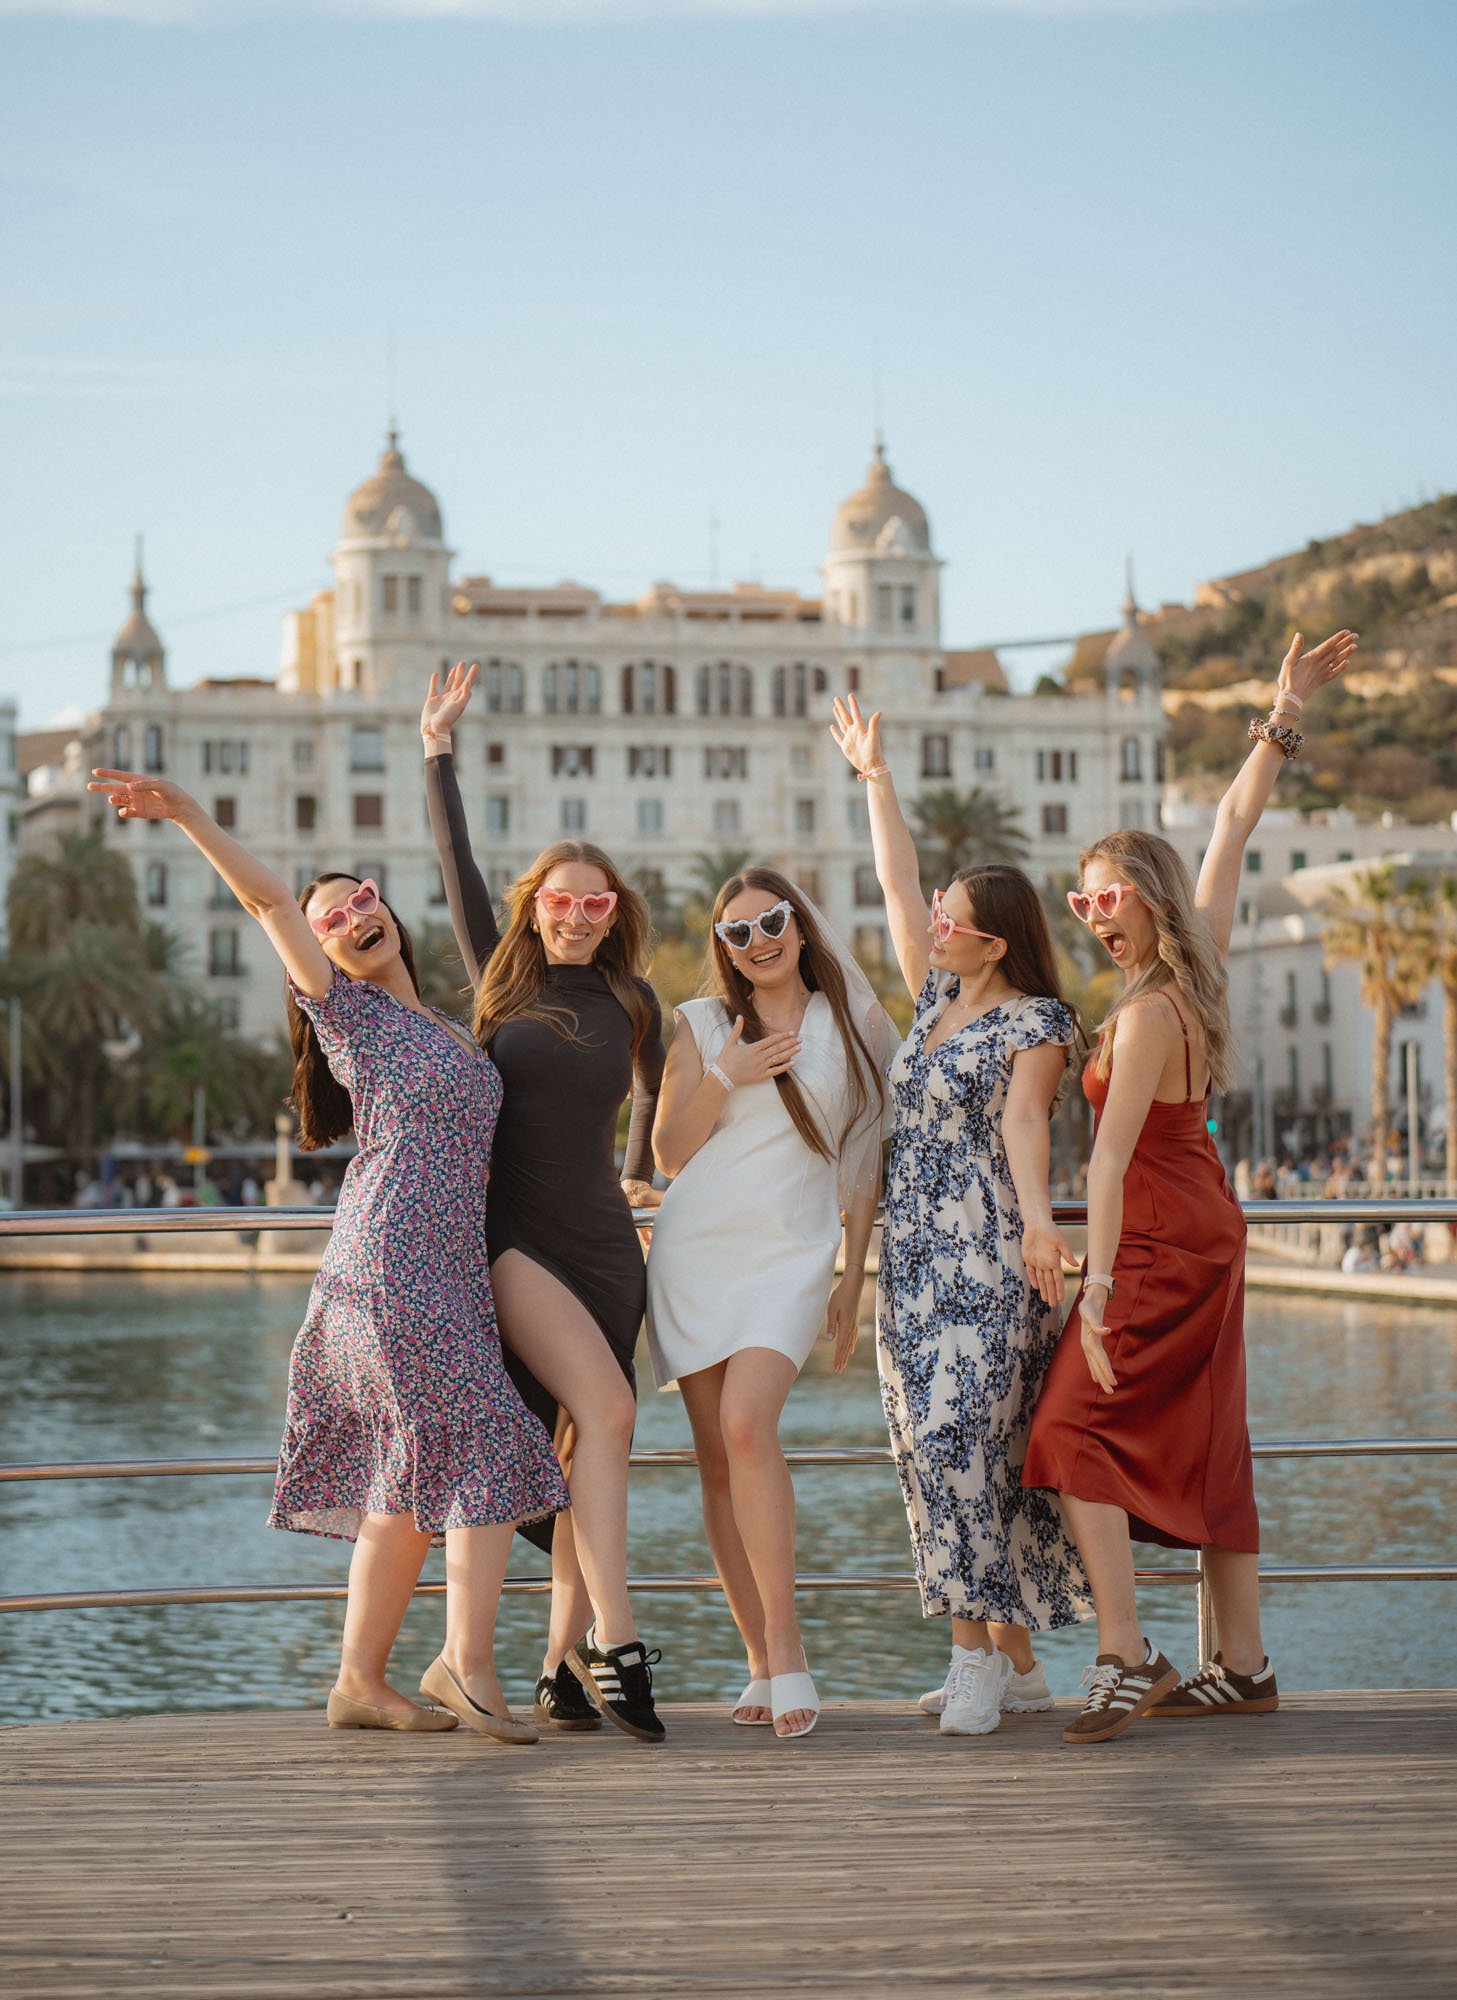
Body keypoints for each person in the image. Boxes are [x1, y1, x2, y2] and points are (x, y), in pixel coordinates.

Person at [88, 765, 568, 1740]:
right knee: (483, 1437)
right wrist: (187, 812)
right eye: (332, 918)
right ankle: (466, 1665)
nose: (353, 915)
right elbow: (265, 898)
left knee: (407, 1474)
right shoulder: (346, 1013)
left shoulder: (443, 1022)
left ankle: (359, 1679)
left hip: (445, 1273)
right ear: (322, 953)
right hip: (390, 1266)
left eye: (361, 898)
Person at [1021, 627, 1359, 1744]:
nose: (1092, 913)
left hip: (1161, 1231)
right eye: (1078, 904)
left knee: (1071, 1425)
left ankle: (1127, 1657)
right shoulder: (1197, 967)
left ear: (1147, 899)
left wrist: (1099, 1295)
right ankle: (1245, 1665)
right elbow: (1228, 824)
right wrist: (1278, 712)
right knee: (1209, 1432)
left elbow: (1108, 1161)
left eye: (1106, 894)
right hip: (1210, 1224)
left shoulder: (1148, 1009)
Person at [830, 693, 1092, 1738]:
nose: (929, 925)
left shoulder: (1038, 1018)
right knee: (923, 1451)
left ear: (992, 942)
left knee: (964, 1448)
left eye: (949, 921)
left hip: (988, 1255)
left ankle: (973, 1654)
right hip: (912, 1258)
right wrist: (874, 777)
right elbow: (894, 880)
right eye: (934, 917)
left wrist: (1037, 1226)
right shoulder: (934, 998)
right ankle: (1012, 1663)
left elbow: (1027, 1120)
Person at [421, 663, 670, 1743]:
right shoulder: (500, 981)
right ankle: (620, 1639)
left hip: (609, 1248)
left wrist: (646, 1165)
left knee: (584, 1447)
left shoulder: (632, 998)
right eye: (557, 901)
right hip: (514, 1239)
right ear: (536, 910)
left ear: (614, 916)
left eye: (593, 903)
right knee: (603, 1414)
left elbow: (656, 1100)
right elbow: (456, 867)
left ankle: (562, 1664)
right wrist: (436, 751)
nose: (573, 916)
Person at [646, 867, 895, 1738]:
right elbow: (670, 1151)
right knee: (716, 1458)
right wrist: (725, 1071)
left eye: (771, 921)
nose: (758, 942)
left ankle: (788, 1651)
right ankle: (756, 1659)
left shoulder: (857, 1021)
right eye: (736, 933)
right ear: (722, 949)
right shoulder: (702, 1023)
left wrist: (849, 1275)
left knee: (750, 1427)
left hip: (792, 1256)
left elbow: (865, 1159)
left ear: (801, 922)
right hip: (696, 1250)